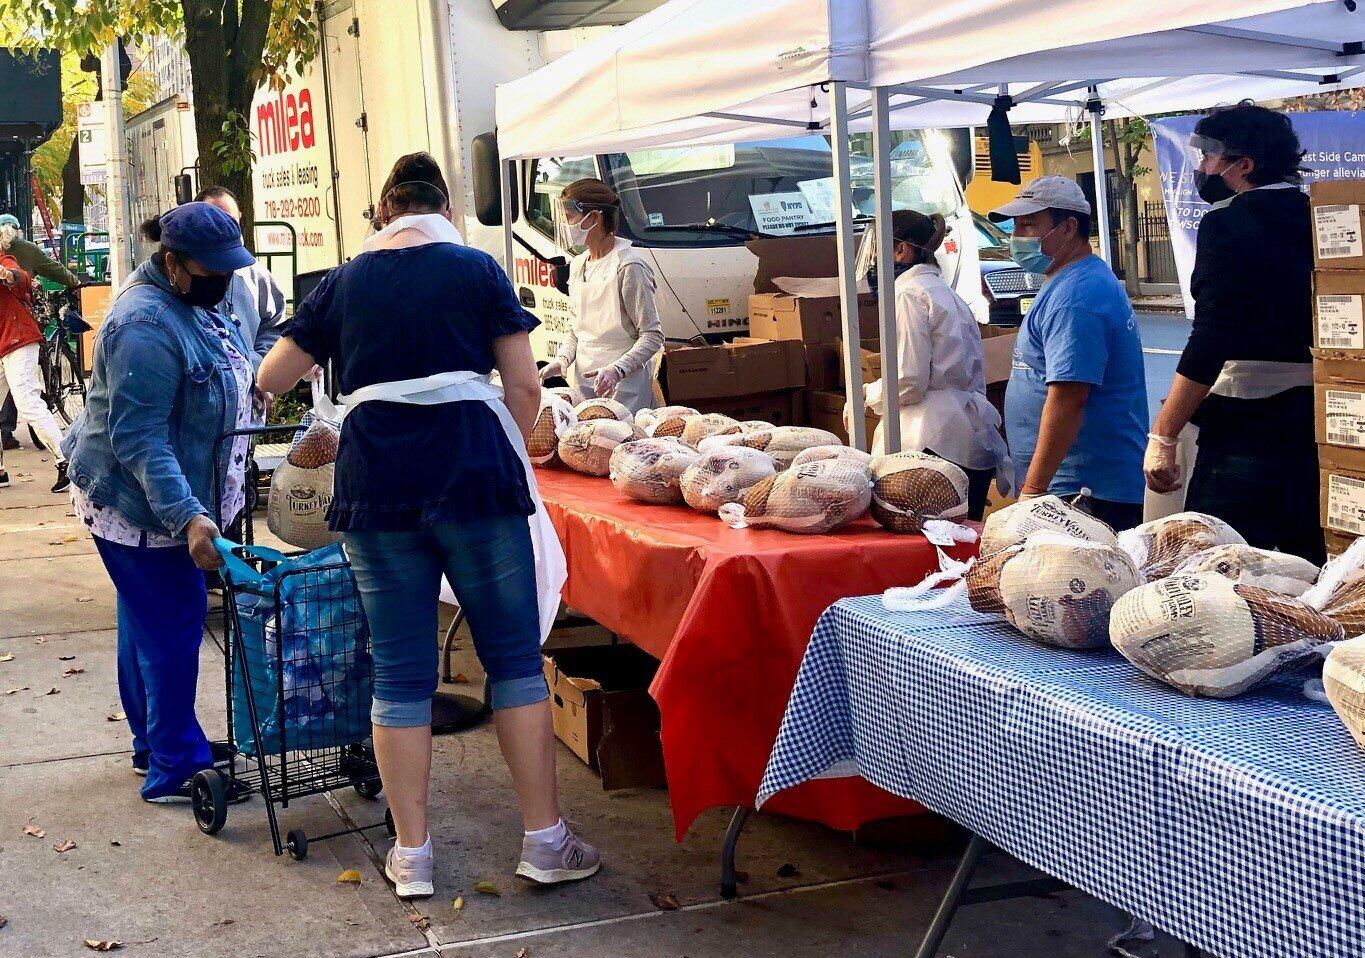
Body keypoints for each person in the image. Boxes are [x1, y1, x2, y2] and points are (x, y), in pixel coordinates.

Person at [258, 152, 599, 898]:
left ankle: (412, 855)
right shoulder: (475, 269)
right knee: (511, 659)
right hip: (474, 475)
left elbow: (273, 377)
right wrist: (496, 443)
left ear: (384, 209)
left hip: (377, 483)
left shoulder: (344, 279)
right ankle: (544, 841)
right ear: (443, 207)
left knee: (401, 669)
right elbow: (522, 384)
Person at [61, 202, 257, 802]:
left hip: (171, 497)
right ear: (171, 263)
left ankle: (154, 740)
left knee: (145, 618)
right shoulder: (142, 326)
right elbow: (140, 439)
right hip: (140, 506)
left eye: (230, 268)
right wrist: (191, 518)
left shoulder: (196, 300)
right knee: (173, 622)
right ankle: (176, 762)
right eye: (210, 270)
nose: (223, 281)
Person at [1144, 103, 1323, 563]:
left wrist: (1164, 434)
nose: (1203, 168)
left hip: (1246, 433)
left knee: (1225, 570)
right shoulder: (1319, 218)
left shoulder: (1227, 224)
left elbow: (1212, 337)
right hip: (1318, 423)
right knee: (1315, 573)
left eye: (1210, 157)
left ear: (1245, 165)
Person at [991, 175, 1148, 531]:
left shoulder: (1077, 295)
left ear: (1068, 228)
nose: (1019, 237)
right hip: (1069, 487)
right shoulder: (1069, 280)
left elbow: (1068, 398)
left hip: (1083, 491)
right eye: (1016, 226)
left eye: (1030, 224)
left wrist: (1032, 491)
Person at [857, 209, 1009, 519]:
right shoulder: (946, 294)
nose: (872, 262)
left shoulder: (909, 295)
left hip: (930, 440)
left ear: (902, 250)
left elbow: (908, 380)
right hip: (969, 435)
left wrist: (866, 395)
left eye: (876, 250)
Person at [538, 178, 663, 414]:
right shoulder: (577, 265)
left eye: (570, 217)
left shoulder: (629, 266)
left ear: (594, 218)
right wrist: (562, 360)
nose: (566, 224)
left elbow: (652, 336)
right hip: (584, 386)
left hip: (626, 389)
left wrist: (617, 370)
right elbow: (575, 330)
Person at [0, 213, 82, 452]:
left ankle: (64, 457)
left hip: (17, 336)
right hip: (8, 339)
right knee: (24, 397)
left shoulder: (7, 258)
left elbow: (21, 277)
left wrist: (7, 275)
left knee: (27, 401)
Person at [192, 186, 287, 370]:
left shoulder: (256, 274)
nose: (224, 230)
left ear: (240, 217)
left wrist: (259, 369)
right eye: (216, 223)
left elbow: (274, 327)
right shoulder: (185, 277)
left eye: (230, 222)